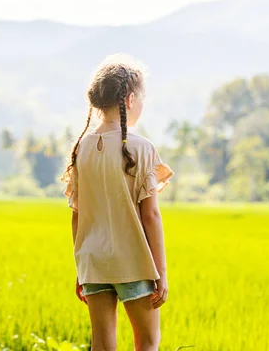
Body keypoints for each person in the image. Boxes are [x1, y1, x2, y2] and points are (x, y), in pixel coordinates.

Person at [62, 54, 174, 351]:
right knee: (148, 342)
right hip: (133, 263)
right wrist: (160, 273)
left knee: (102, 345)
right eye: (142, 98)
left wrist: (81, 269)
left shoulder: (81, 149)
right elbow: (151, 217)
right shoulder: (142, 147)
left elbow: (77, 217)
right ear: (130, 98)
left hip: (93, 262)